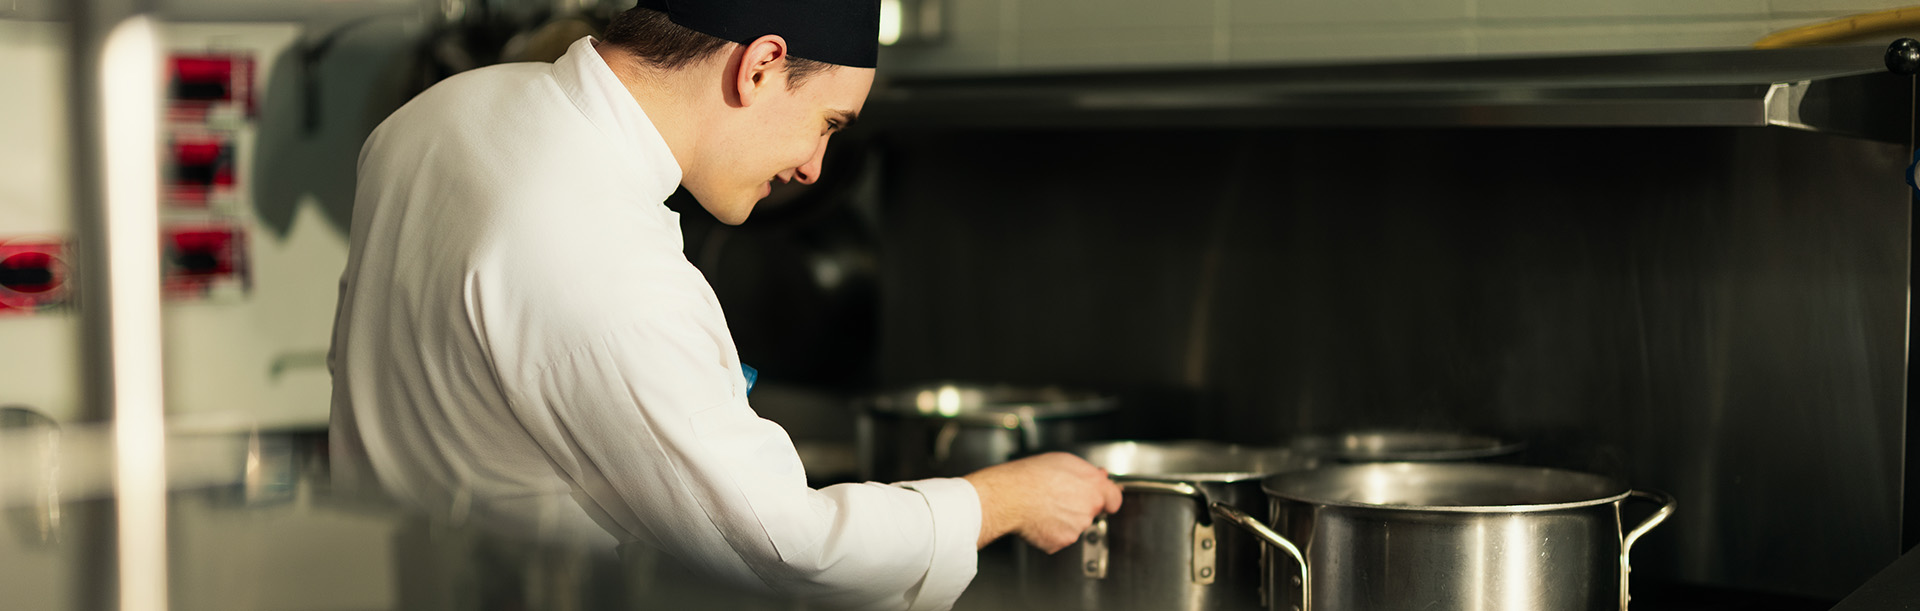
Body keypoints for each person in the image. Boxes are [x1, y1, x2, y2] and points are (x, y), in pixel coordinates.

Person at [325, 2, 1123, 609]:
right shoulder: (606, 256)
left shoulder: (438, 116)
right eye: (827, 123)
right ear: (762, 66)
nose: (815, 166)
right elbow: (782, 548)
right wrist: (1003, 499)